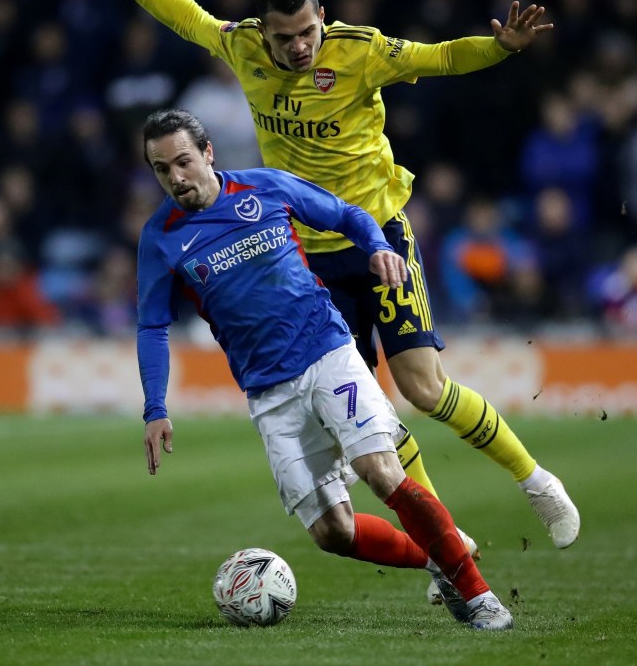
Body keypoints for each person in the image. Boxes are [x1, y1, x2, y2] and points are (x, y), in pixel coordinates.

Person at [78, 0, 580, 567]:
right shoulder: (242, 46)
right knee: (374, 414)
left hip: (378, 236)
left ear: (324, 17)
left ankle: (536, 481)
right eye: (284, 37)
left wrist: (503, 48)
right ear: (264, 31)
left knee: (424, 389)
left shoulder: (360, 50)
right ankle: (448, 545)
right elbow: (185, 15)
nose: (298, 47)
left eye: (307, 32)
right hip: (308, 258)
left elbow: (442, 56)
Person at [136, 108, 513, 631]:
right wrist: (156, 407)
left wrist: (378, 246)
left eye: (182, 161)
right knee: (332, 532)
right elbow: (153, 327)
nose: (175, 177)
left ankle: (478, 594)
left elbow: (346, 215)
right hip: (269, 392)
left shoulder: (264, 188)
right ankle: (440, 560)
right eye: (161, 169)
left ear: (207, 154)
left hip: (328, 353)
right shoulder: (160, 238)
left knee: (382, 473)